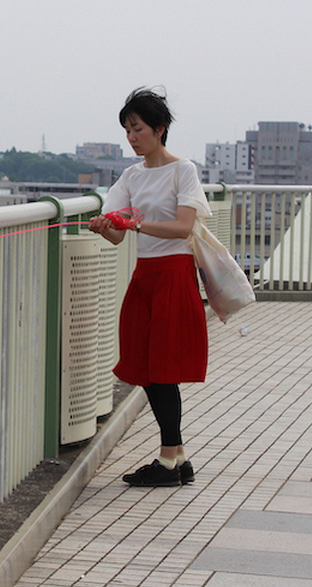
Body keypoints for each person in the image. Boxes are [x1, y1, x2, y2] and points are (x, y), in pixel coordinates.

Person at [88, 87, 211, 487]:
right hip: (146, 274)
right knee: (145, 365)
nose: (131, 137)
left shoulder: (183, 171)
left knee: (163, 369)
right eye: (126, 129)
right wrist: (105, 226)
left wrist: (134, 223)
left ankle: (169, 460)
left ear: (159, 129)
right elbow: (116, 235)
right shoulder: (131, 176)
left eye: (137, 128)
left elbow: (183, 227)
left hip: (174, 273)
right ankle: (176, 458)